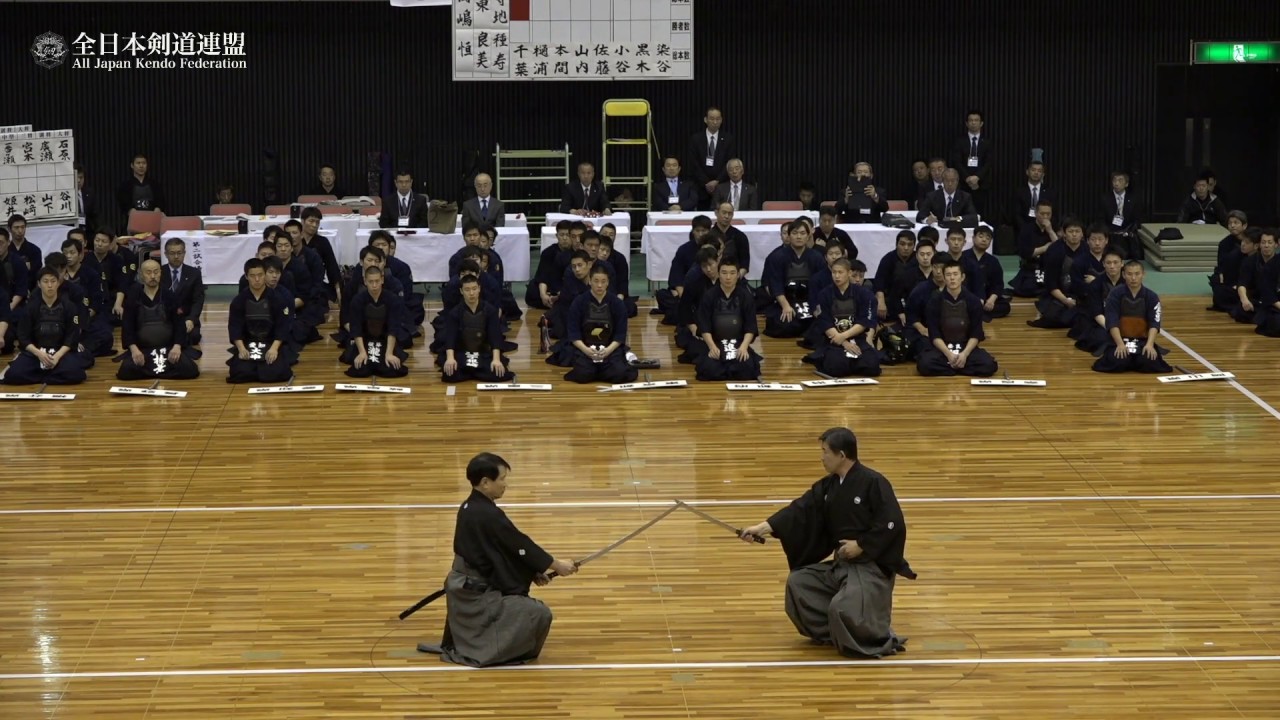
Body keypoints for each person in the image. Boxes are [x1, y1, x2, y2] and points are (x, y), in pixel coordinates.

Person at [740, 428, 915, 658]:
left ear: (841, 455)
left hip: (870, 568)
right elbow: (800, 510)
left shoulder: (873, 482)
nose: (821, 457)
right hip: (841, 566)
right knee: (799, 583)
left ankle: (869, 637)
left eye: (825, 452)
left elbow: (892, 523)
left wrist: (861, 545)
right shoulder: (829, 486)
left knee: (841, 607)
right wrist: (761, 528)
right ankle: (835, 632)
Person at [419, 453, 579, 667]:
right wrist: (556, 565)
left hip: (466, 585)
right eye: (502, 479)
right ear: (485, 482)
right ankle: (489, 649)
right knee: (537, 613)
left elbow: (498, 551)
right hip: (475, 592)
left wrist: (532, 572)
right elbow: (519, 545)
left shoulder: (472, 508)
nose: (506, 484)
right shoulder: (486, 514)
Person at [2, 267, 89, 385]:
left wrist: (57, 356)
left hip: (60, 353)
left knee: (76, 374)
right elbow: (23, 336)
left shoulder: (69, 307)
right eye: (45, 281)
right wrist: (39, 354)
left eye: (53, 281)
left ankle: (41, 376)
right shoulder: (30, 308)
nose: (50, 285)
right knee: (13, 374)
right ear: (39, 284)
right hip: (36, 353)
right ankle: (50, 375)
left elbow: (71, 337)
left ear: (58, 283)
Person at [118, 259, 200, 381]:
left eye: (156, 272)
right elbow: (127, 326)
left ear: (161, 273)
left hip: (168, 349)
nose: (153, 276)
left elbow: (179, 325)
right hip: (143, 349)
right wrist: (134, 350)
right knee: (126, 371)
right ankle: (162, 371)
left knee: (190, 370)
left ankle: (149, 372)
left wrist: (177, 347)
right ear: (141, 274)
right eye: (148, 272)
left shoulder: (170, 296)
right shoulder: (133, 297)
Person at [557, 264, 637, 384]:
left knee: (619, 374)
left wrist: (608, 351)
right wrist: (586, 350)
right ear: (590, 281)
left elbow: (620, 334)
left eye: (603, 281)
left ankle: (601, 370)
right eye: (596, 281)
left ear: (608, 282)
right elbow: (573, 333)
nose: (599, 285)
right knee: (583, 374)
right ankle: (596, 371)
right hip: (586, 349)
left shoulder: (617, 303)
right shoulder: (579, 302)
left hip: (610, 350)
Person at [917, 260, 999, 377]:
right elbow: (934, 334)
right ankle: (959, 367)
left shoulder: (973, 301)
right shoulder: (934, 301)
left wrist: (964, 354)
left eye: (955, 274)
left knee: (989, 365)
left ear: (962, 277)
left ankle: (953, 367)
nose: (952, 278)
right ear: (944, 278)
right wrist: (949, 354)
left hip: (966, 347)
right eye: (948, 275)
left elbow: (976, 333)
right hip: (942, 348)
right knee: (924, 364)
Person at [1091, 261, 1172, 373]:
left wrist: (1149, 344)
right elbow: (1112, 322)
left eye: (1137, 274)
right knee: (1118, 361)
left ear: (1143, 274)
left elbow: (1154, 322)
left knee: (1149, 361)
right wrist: (1119, 344)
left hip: (1142, 340)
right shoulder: (1115, 295)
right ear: (1124, 275)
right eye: (1129, 274)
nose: (1133, 278)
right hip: (1119, 339)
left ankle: (1135, 360)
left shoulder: (1151, 296)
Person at [226, 258, 296, 384]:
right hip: (248, 344)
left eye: (260, 275)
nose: (257, 279)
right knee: (239, 373)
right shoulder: (239, 301)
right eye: (252, 276)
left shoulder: (278, 299)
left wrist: (274, 348)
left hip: (270, 342)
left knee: (277, 372)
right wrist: (241, 348)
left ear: (265, 275)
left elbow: (282, 326)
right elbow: (234, 326)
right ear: (246, 277)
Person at [694, 255, 761, 381]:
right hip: (716, 342)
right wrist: (712, 347)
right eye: (724, 273)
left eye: (732, 273)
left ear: (737, 275)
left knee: (746, 369)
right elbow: (704, 326)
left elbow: (751, 326)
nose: (728, 277)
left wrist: (744, 347)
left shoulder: (746, 296)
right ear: (719, 274)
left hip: (738, 343)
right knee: (709, 370)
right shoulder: (709, 296)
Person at [810, 259, 880, 377]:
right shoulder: (824, 294)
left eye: (840, 272)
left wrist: (844, 336)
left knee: (872, 366)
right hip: (834, 339)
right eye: (834, 272)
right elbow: (825, 322)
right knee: (836, 367)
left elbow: (863, 322)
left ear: (849, 273)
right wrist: (843, 342)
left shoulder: (864, 294)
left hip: (857, 338)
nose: (836, 276)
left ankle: (853, 363)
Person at [440, 274, 515, 383]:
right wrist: (450, 358)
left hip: (483, 352)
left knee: (497, 373)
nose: (471, 293)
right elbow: (450, 337)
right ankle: (476, 372)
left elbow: (495, 336)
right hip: (463, 352)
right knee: (450, 374)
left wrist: (496, 359)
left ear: (479, 289)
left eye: (474, 289)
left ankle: (471, 371)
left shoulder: (490, 310)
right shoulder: (454, 313)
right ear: (461, 291)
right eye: (467, 290)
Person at [341, 266, 408, 378]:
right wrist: (362, 352)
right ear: (365, 281)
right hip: (365, 341)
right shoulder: (357, 300)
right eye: (371, 282)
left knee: (391, 369)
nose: (374, 285)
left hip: (385, 340)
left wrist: (389, 353)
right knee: (360, 369)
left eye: (377, 281)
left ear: (382, 280)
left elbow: (393, 328)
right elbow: (356, 329)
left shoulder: (392, 299)